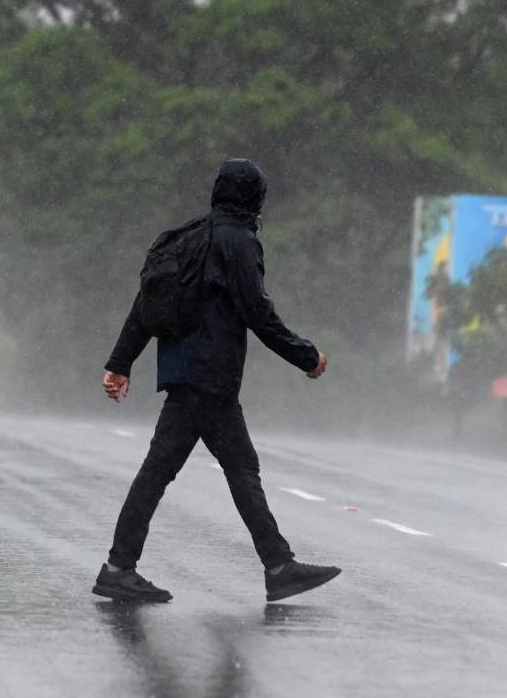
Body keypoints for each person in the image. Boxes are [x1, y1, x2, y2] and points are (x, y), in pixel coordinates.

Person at [93, 158, 341, 603]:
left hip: (187, 375)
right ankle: (276, 566)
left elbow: (144, 303)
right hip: (211, 378)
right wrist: (306, 356)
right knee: (228, 470)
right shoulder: (238, 242)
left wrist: (121, 362)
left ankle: (123, 566)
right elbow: (258, 312)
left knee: (185, 471)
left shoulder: (189, 237)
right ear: (254, 199)